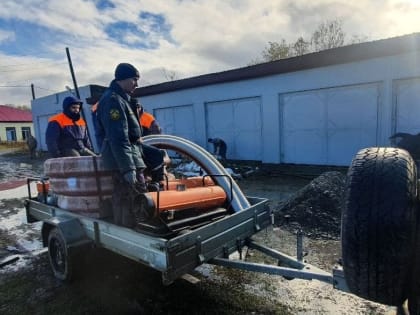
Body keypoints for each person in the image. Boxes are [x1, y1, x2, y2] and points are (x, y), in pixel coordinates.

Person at [95, 63, 147, 227]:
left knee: (132, 197)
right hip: (122, 160)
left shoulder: (123, 100)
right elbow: (118, 137)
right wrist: (128, 168)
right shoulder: (113, 101)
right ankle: (131, 236)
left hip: (130, 156)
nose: (136, 84)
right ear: (123, 79)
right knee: (132, 197)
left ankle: (132, 231)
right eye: (134, 80)